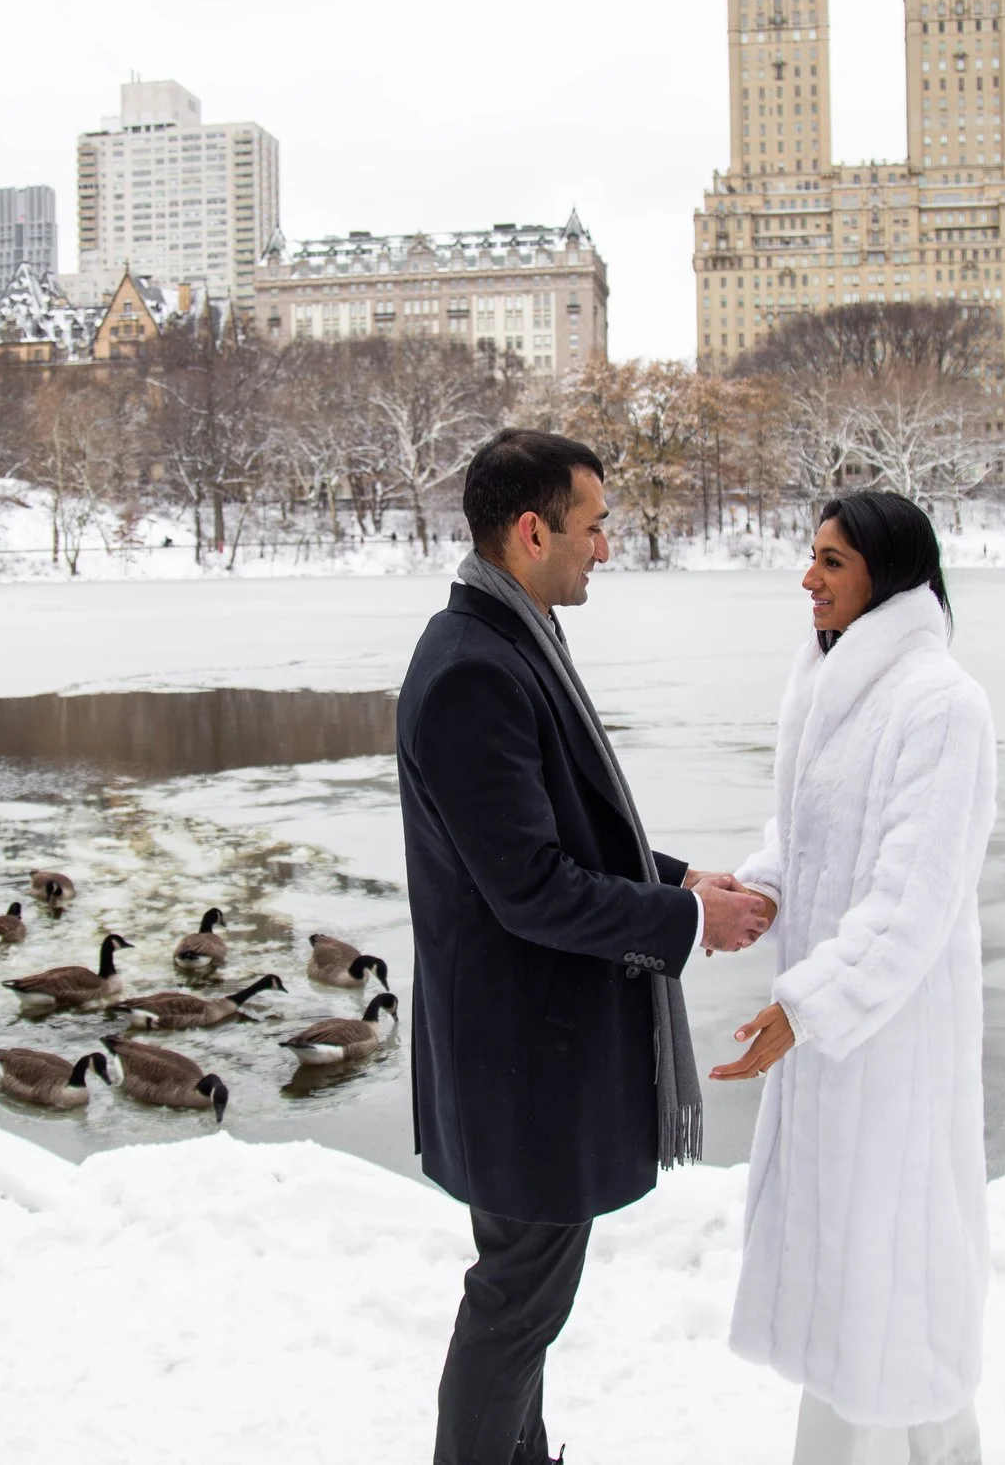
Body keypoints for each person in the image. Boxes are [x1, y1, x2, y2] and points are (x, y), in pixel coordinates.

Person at [398, 428, 774, 1465]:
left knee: (524, 1301)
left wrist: (673, 880)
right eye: (594, 525)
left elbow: (560, 831)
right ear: (532, 531)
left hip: (522, 1056)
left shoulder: (505, 639)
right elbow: (530, 887)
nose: (607, 546)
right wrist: (685, 924)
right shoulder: (474, 668)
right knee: (515, 1305)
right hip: (520, 1061)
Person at [710, 490, 1000, 1465]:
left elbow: (912, 899)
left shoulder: (941, 705)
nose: (808, 578)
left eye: (830, 561)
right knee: (869, 1303)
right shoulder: (830, 683)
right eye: (812, 556)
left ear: (888, 573)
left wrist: (807, 1006)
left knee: (887, 1293)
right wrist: (751, 893)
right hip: (838, 1041)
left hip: (893, 1050)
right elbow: (803, 834)